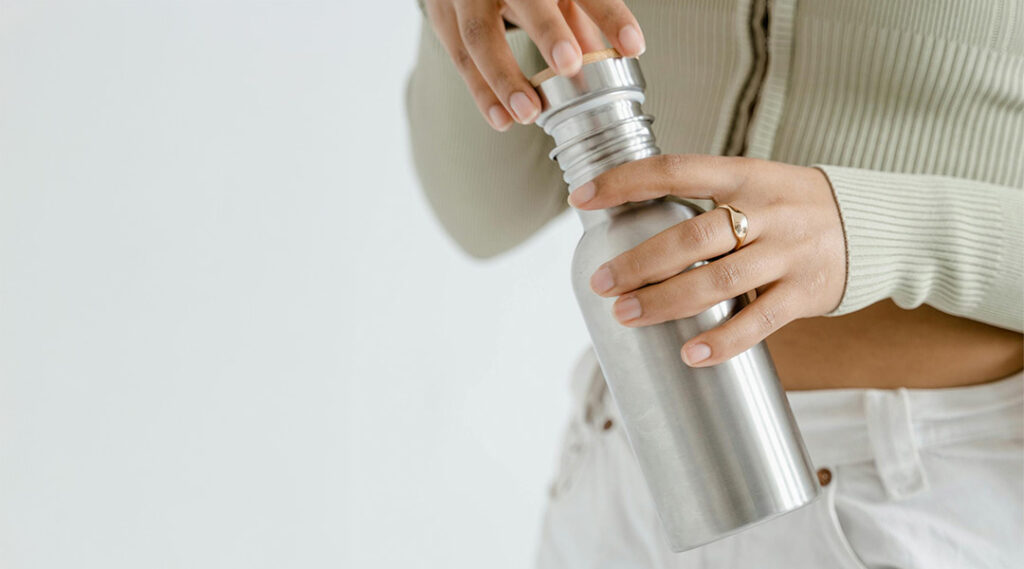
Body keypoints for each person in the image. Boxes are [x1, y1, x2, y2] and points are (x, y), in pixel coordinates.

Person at [405, 1, 1024, 567]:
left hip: (916, 491)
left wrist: (876, 230)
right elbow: (484, 217)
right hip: (627, 471)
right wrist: (485, 28)